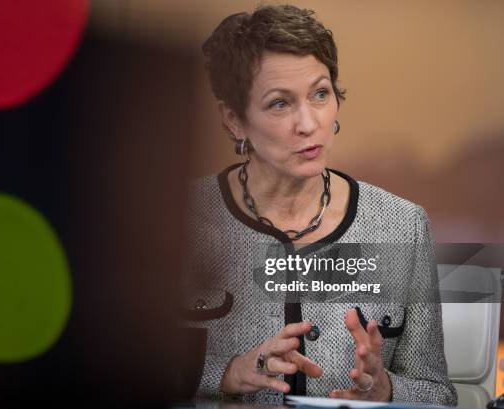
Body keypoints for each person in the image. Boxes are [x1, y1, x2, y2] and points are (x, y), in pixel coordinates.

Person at [183, 4, 457, 406]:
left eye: (320, 94)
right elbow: (115, 368)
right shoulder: (180, 216)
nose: (309, 124)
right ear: (234, 120)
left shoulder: (403, 225)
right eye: (280, 103)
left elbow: (438, 395)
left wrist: (387, 391)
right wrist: (225, 372)